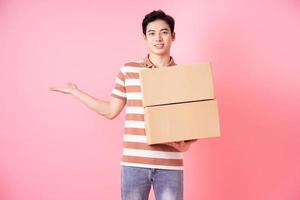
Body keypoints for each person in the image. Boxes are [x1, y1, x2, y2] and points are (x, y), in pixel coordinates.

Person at [50, 9, 196, 200]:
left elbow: (192, 123)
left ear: (173, 36)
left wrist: (187, 144)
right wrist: (76, 92)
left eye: (164, 32)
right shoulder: (129, 70)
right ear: (144, 38)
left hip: (170, 165)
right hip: (134, 165)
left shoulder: (184, 76)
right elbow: (110, 111)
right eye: (151, 33)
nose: (158, 38)